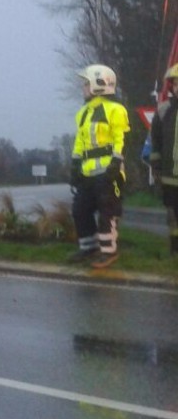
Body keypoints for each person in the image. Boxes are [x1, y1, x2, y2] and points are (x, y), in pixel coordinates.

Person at [69, 64, 129, 268]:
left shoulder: (115, 109)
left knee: (107, 211)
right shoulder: (83, 112)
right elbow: (80, 141)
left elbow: (120, 138)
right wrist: (75, 164)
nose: (83, 87)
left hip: (108, 172)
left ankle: (108, 251)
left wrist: (116, 162)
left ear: (98, 84)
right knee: (80, 210)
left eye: (86, 83)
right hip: (87, 173)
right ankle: (88, 247)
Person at [150, 63, 178, 255]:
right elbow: (156, 142)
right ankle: (175, 248)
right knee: (172, 215)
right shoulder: (163, 111)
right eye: (175, 84)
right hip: (170, 176)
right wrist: (156, 167)